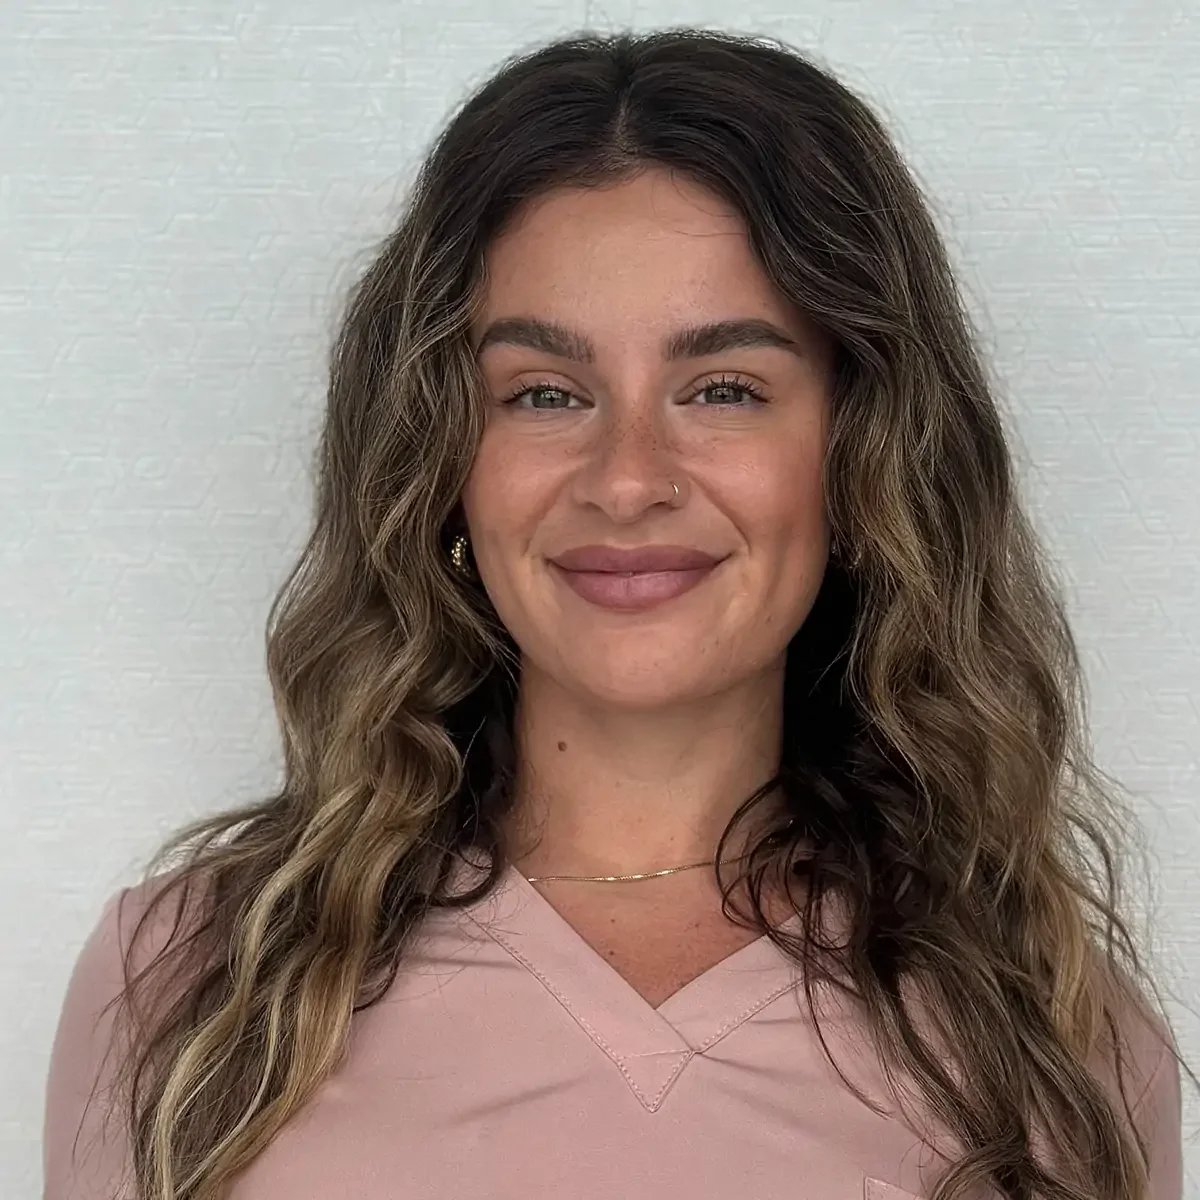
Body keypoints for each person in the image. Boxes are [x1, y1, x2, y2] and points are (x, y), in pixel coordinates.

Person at [43, 27, 1189, 1200]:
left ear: (862, 458)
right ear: (445, 463)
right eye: (545, 393)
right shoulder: (189, 987)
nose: (628, 477)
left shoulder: (1056, 1045)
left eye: (725, 389)